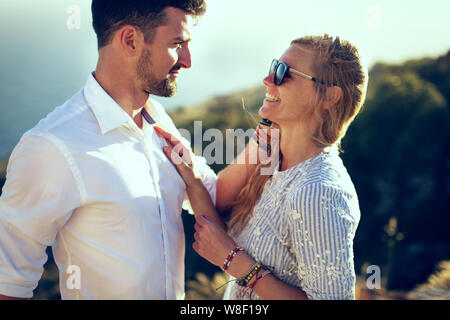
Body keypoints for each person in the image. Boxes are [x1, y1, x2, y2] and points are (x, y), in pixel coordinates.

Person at [0, 0, 216, 300]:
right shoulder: (52, 146)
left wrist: (278, 131)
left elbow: (217, 197)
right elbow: (7, 284)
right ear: (130, 40)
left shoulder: (158, 121)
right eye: (178, 44)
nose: (188, 60)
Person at [157, 34, 368, 300]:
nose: (268, 80)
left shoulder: (318, 191)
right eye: (273, 67)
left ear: (329, 96)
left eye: (283, 73)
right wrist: (191, 177)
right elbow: (218, 229)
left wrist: (236, 262)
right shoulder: (272, 160)